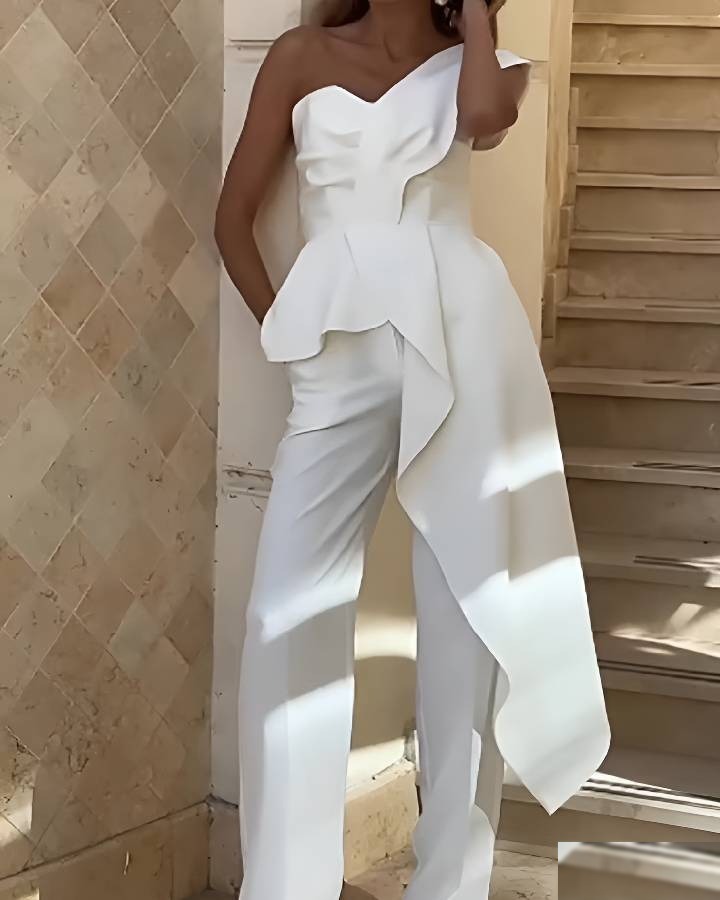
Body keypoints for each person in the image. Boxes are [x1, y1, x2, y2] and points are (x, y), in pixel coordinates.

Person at [215, 2, 612, 900]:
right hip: (336, 359)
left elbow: (484, 117)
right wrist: (292, 336)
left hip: (469, 342)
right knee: (286, 614)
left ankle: (451, 885)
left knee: (470, 617)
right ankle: (284, 886)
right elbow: (232, 219)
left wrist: (474, 18)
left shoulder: (487, 62)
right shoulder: (301, 54)